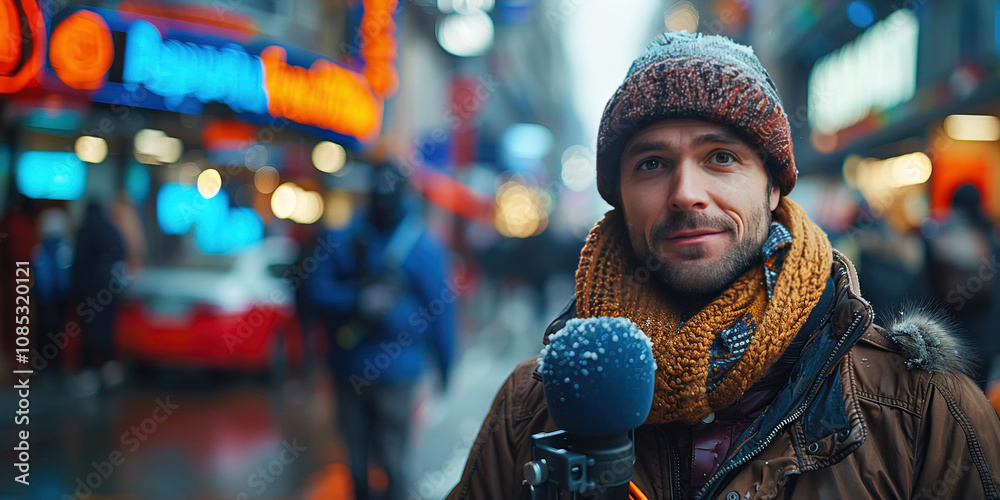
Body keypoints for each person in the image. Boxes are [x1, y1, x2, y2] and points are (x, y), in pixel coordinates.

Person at [447, 32, 1000, 499]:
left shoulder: (918, 410)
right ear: (619, 195)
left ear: (774, 187)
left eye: (721, 157)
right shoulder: (531, 409)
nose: (687, 193)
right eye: (652, 163)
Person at [308, 162, 455, 500]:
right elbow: (441, 311)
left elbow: (441, 310)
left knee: (384, 462)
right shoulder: (352, 238)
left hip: (384, 372)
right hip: (364, 369)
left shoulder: (416, 244)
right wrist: (358, 300)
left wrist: (446, 363)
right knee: (374, 463)